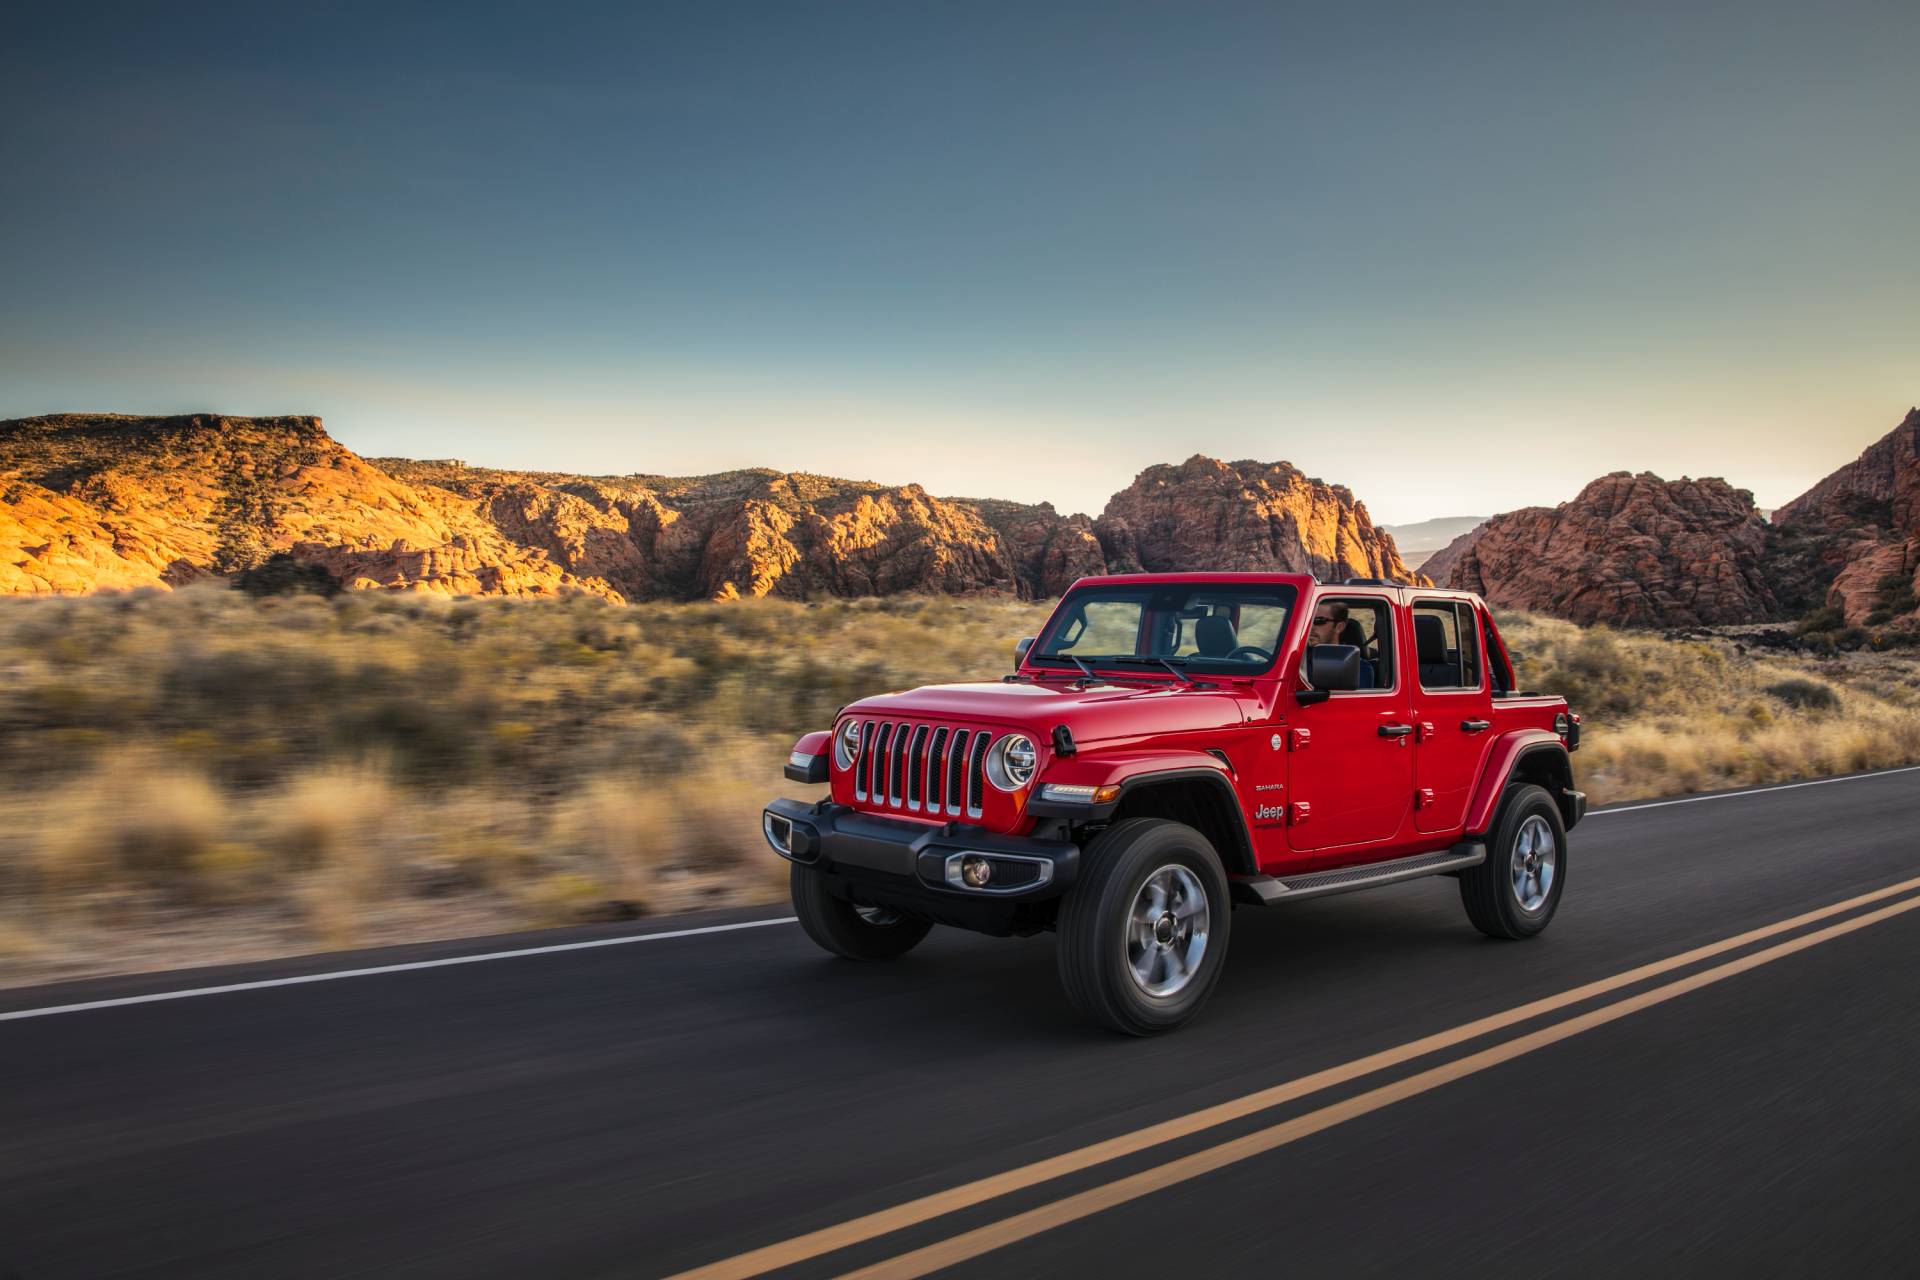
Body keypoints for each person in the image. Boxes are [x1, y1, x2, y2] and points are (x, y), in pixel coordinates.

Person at [1300, 601, 1376, 690]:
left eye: (1318, 621)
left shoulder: (1360, 669)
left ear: (1339, 627)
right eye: (1308, 620)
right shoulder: (1295, 659)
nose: (1310, 626)